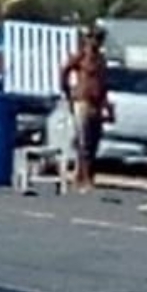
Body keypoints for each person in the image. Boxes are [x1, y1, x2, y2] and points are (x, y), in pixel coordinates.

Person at [60, 26, 114, 193]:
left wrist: (107, 107)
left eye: (99, 38)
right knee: (84, 141)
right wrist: (68, 91)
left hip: (96, 103)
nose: (96, 41)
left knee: (93, 141)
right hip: (82, 101)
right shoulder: (82, 56)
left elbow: (104, 85)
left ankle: (84, 175)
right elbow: (65, 71)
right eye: (93, 38)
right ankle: (83, 178)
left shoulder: (101, 60)